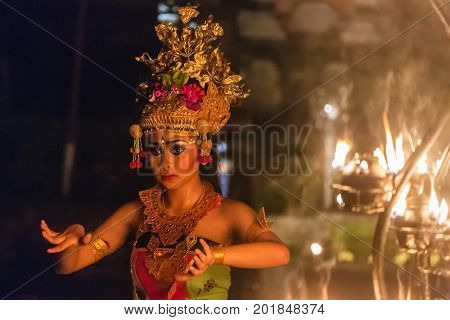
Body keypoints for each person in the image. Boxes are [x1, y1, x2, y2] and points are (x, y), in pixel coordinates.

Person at [40, 5, 290, 300]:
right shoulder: (136, 213)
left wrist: (217, 255)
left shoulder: (229, 214)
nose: (165, 162)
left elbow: (279, 253)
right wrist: (73, 239)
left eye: (177, 148)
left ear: (203, 147)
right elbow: (68, 266)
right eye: (155, 149)